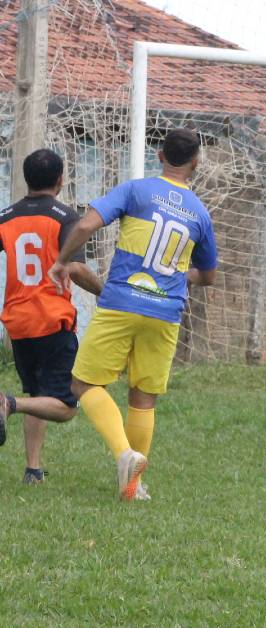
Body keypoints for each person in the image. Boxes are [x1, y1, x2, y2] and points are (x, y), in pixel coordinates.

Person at [48, 128, 218, 501]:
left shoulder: (136, 190)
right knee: (143, 397)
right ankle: (133, 486)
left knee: (82, 385)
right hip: (165, 312)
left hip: (122, 302)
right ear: (195, 163)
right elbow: (207, 275)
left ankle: (125, 454)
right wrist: (180, 275)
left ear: (159, 155)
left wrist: (62, 261)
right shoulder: (200, 213)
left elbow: (86, 224)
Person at [0, 149, 103, 484]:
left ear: (26, 178)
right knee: (65, 406)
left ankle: (33, 469)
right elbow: (76, 270)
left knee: (37, 396)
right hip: (51, 320)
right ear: (61, 180)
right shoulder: (66, 218)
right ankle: (7, 403)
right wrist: (106, 293)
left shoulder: (6, 216)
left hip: (18, 323)